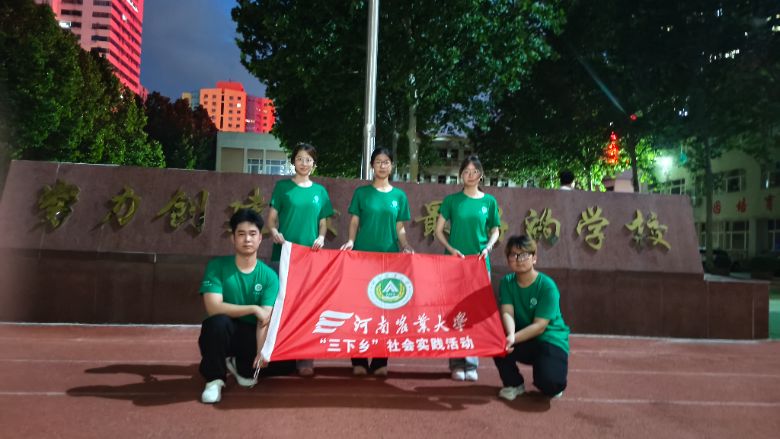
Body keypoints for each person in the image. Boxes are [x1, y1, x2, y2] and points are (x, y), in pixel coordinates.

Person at [340, 148, 414, 376]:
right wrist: (351, 241)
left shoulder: (399, 196)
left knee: (385, 310)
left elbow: (400, 227)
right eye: (378, 162)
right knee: (360, 309)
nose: (382, 166)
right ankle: (359, 360)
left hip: (390, 259)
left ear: (392, 166)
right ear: (372, 165)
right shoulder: (362, 193)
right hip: (362, 258)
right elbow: (354, 221)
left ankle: (381, 361)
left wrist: (405, 245)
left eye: (387, 162)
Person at [198, 208, 279, 404]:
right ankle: (214, 380)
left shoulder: (269, 276)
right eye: (241, 234)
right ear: (233, 238)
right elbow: (213, 307)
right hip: (225, 331)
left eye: (252, 234)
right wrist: (252, 308)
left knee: (285, 365)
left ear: (260, 238)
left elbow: (264, 318)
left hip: (250, 335)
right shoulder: (217, 267)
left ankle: (238, 364)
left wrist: (260, 353)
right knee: (216, 323)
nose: (247, 239)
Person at [267, 143, 333, 377]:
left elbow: (323, 222)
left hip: (310, 257)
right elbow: (271, 219)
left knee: (307, 307)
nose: (304, 163)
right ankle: (279, 355)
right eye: (300, 159)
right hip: (283, 255)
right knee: (281, 305)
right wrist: (274, 232)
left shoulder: (320, 192)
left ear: (314, 164)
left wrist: (321, 237)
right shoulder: (282, 188)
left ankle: (305, 358)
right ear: (293, 161)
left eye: (308, 160)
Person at [434, 155, 500, 382]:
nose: (470, 176)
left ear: (481, 175)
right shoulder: (452, 201)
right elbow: (438, 230)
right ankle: (455, 363)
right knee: (454, 312)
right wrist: (451, 249)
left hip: (479, 264)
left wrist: (488, 247)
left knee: (473, 313)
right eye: (466, 172)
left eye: (474, 172)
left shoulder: (489, 202)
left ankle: (471, 363)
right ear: (460, 175)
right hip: (454, 263)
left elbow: (495, 230)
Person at [493, 235, 569, 400]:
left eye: (524, 255)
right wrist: (510, 335)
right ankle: (514, 384)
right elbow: (507, 312)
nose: (518, 259)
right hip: (523, 338)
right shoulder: (507, 282)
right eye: (513, 255)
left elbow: (540, 326)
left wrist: (514, 338)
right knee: (498, 341)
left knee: (550, 384)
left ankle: (549, 374)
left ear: (534, 258)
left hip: (549, 339)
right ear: (508, 260)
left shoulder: (547, 286)